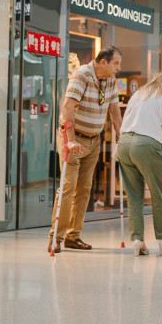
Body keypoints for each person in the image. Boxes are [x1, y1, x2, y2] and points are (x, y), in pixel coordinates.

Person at [48, 46, 122, 253]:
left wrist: (122, 137)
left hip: (93, 140)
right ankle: (56, 238)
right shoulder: (82, 75)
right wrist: (70, 140)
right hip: (74, 139)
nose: (119, 68)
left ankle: (73, 236)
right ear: (103, 62)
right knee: (68, 188)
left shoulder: (110, 80)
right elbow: (67, 107)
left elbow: (115, 111)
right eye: (116, 63)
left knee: (84, 190)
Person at [117, 72, 162, 257]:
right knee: (159, 195)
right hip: (146, 145)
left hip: (124, 144)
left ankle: (138, 241)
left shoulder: (138, 95)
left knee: (134, 196)